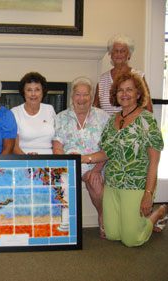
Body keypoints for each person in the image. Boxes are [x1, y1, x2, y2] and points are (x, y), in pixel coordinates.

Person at [82, 72, 167, 247]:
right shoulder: (113, 119)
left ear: (138, 93)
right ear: (115, 94)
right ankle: (138, 222)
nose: (124, 94)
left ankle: (158, 213)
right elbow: (107, 152)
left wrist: (148, 195)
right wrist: (83, 158)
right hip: (112, 183)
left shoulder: (147, 120)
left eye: (129, 89)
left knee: (132, 240)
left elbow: (154, 162)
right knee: (112, 234)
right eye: (120, 90)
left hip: (136, 185)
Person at [53, 77, 110, 238]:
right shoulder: (61, 117)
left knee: (96, 181)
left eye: (86, 95)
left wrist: (97, 169)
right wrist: (65, 165)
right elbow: (57, 147)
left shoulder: (103, 117)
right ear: (72, 96)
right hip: (70, 163)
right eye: (78, 94)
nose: (82, 99)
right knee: (62, 181)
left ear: (91, 96)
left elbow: (108, 148)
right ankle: (65, 224)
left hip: (95, 162)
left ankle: (102, 216)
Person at [93, 34, 153, 115]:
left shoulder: (138, 76)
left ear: (129, 54)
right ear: (111, 54)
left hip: (132, 126)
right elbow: (95, 108)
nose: (119, 54)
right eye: (115, 51)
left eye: (123, 51)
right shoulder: (102, 79)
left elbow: (148, 108)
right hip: (107, 126)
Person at [11, 72, 56, 154]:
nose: (33, 94)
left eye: (37, 90)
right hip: (24, 160)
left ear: (43, 92)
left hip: (49, 160)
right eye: (29, 90)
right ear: (23, 92)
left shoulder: (50, 109)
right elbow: (14, 146)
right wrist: (28, 162)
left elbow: (56, 140)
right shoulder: (15, 112)